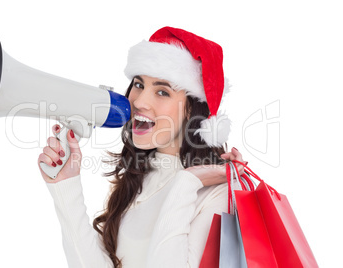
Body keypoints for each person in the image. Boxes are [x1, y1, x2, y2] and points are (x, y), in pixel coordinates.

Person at [38, 26, 246, 268]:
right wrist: (65, 186)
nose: (139, 101)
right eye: (138, 84)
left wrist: (187, 183)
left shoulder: (218, 192)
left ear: (191, 109)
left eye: (161, 91)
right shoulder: (140, 177)